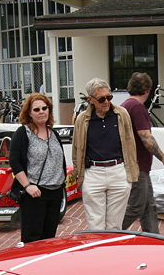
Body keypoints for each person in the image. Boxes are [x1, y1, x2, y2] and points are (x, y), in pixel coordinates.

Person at [72, 78, 138, 231]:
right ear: (91, 100)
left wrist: (130, 172)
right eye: (101, 99)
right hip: (93, 172)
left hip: (118, 171)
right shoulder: (82, 119)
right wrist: (78, 172)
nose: (106, 102)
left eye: (109, 97)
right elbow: (77, 149)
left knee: (115, 225)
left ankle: (113, 254)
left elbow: (131, 142)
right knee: (96, 226)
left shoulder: (121, 114)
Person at [120, 72, 164, 234]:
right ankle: (107, 233)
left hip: (138, 166)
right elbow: (146, 137)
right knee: (136, 206)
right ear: (147, 90)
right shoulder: (137, 108)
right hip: (137, 167)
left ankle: (155, 240)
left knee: (149, 207)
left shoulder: (126, 105)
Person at [9, 93, 67, 243]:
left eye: (44, 108)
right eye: (36, 109)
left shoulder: (53, 134)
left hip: (55, 193)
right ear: (29, 113)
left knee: (49, 239)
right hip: (35, 193)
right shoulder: (23, 133)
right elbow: (15, 162)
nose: (41, 112)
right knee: (32, 239)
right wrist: (28, 186)